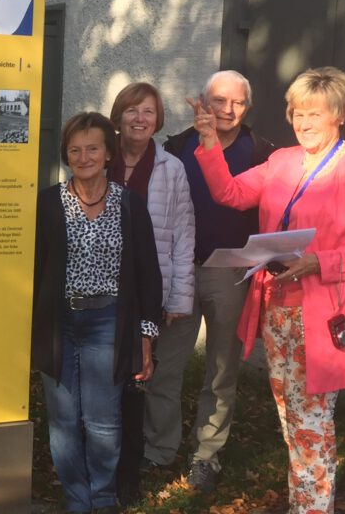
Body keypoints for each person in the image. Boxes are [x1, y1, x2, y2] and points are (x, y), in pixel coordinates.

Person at [189, 67, 345, 514]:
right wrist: (208, 143)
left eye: (314, 114)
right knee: (293, 419)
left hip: (324, 315)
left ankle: (311, 506)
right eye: (296, 113)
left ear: (341, 114)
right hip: (277, 309)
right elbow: (229, 193)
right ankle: (305, 501)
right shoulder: (282, 160)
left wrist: (320, 261)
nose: (302, 123)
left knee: (312, 422)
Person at [31, 111, 163, 514]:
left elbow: (147, 275)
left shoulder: (129, 205)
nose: (83, 156)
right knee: (64, 422)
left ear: (108, 154)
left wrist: (145, 336)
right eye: (75, 150)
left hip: (109, 324)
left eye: (92, 148)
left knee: (103, 422)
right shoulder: (49, 203)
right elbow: (33, 271)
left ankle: (103, 499)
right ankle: (77, 500)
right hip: (59, 325)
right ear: (66, 155)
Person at [151, 70, 276, 492]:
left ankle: (208, 453)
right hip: (181, 269)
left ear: (248, 106)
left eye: (237, 102)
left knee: (221, 370)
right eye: (219, 100)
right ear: (203, 101)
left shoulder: (260, 151)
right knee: (166, 365)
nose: (227, 110)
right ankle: (159, 448)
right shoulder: (178, 146)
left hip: (231, 272)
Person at [105, 82, 194, 502]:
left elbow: (183, 235)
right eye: (132, 111)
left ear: (158, 120)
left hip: (154, 284)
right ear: (118, 116)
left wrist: (178, 296)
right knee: (115, 369)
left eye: (149, 112)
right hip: (107, 285)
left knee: (159, 375)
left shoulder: (171, 168)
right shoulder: (101, 158)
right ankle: (116, 445)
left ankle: (157, 451)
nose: (140, 119)